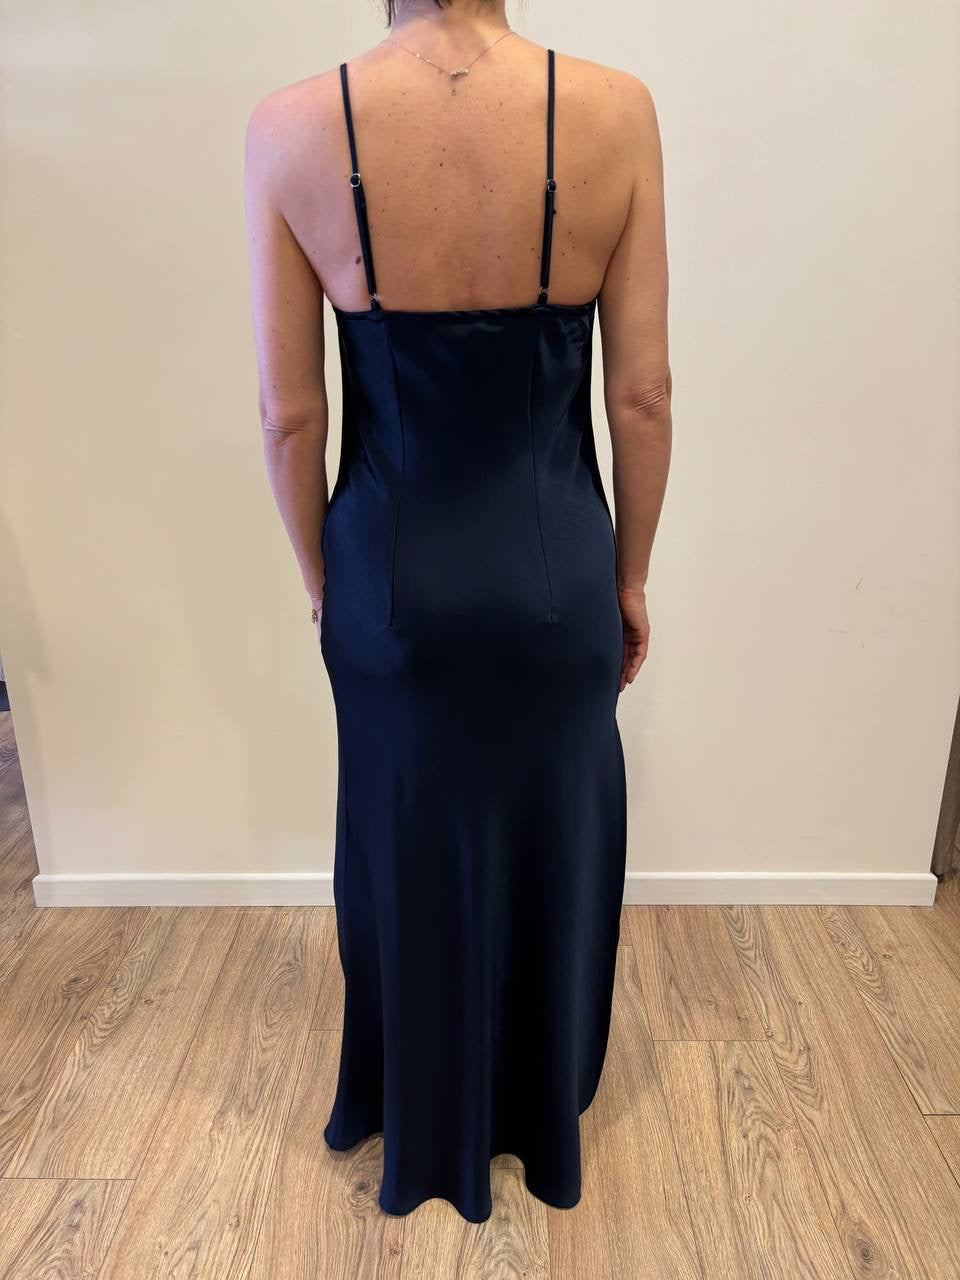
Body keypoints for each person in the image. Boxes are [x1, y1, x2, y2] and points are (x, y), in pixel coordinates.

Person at [244, 0, 671, 1224]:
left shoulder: (291, 127)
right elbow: (641, 396)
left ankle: (421, 1105)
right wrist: (628, 578)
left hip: (388, 577)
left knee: (402, 839)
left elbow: (289, 416)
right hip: (555, 567)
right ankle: (536, 1109)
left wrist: (324, 582)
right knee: (552, 830)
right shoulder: (615, 111)